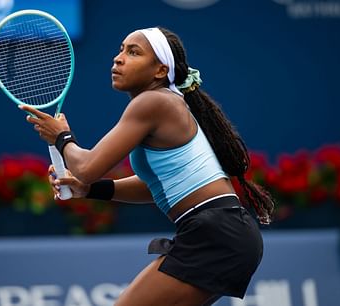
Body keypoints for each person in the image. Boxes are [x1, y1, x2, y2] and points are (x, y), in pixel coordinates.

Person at [19, 27, 274, 306]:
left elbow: (86, 166)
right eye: (120, 49)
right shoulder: (164, 103)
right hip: (226, 233)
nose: (118, 58)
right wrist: (89, 190)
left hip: (216, 234)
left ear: (160, 71)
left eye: (133, 52)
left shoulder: (153, 102)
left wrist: (61, 137)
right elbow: (153, 185)